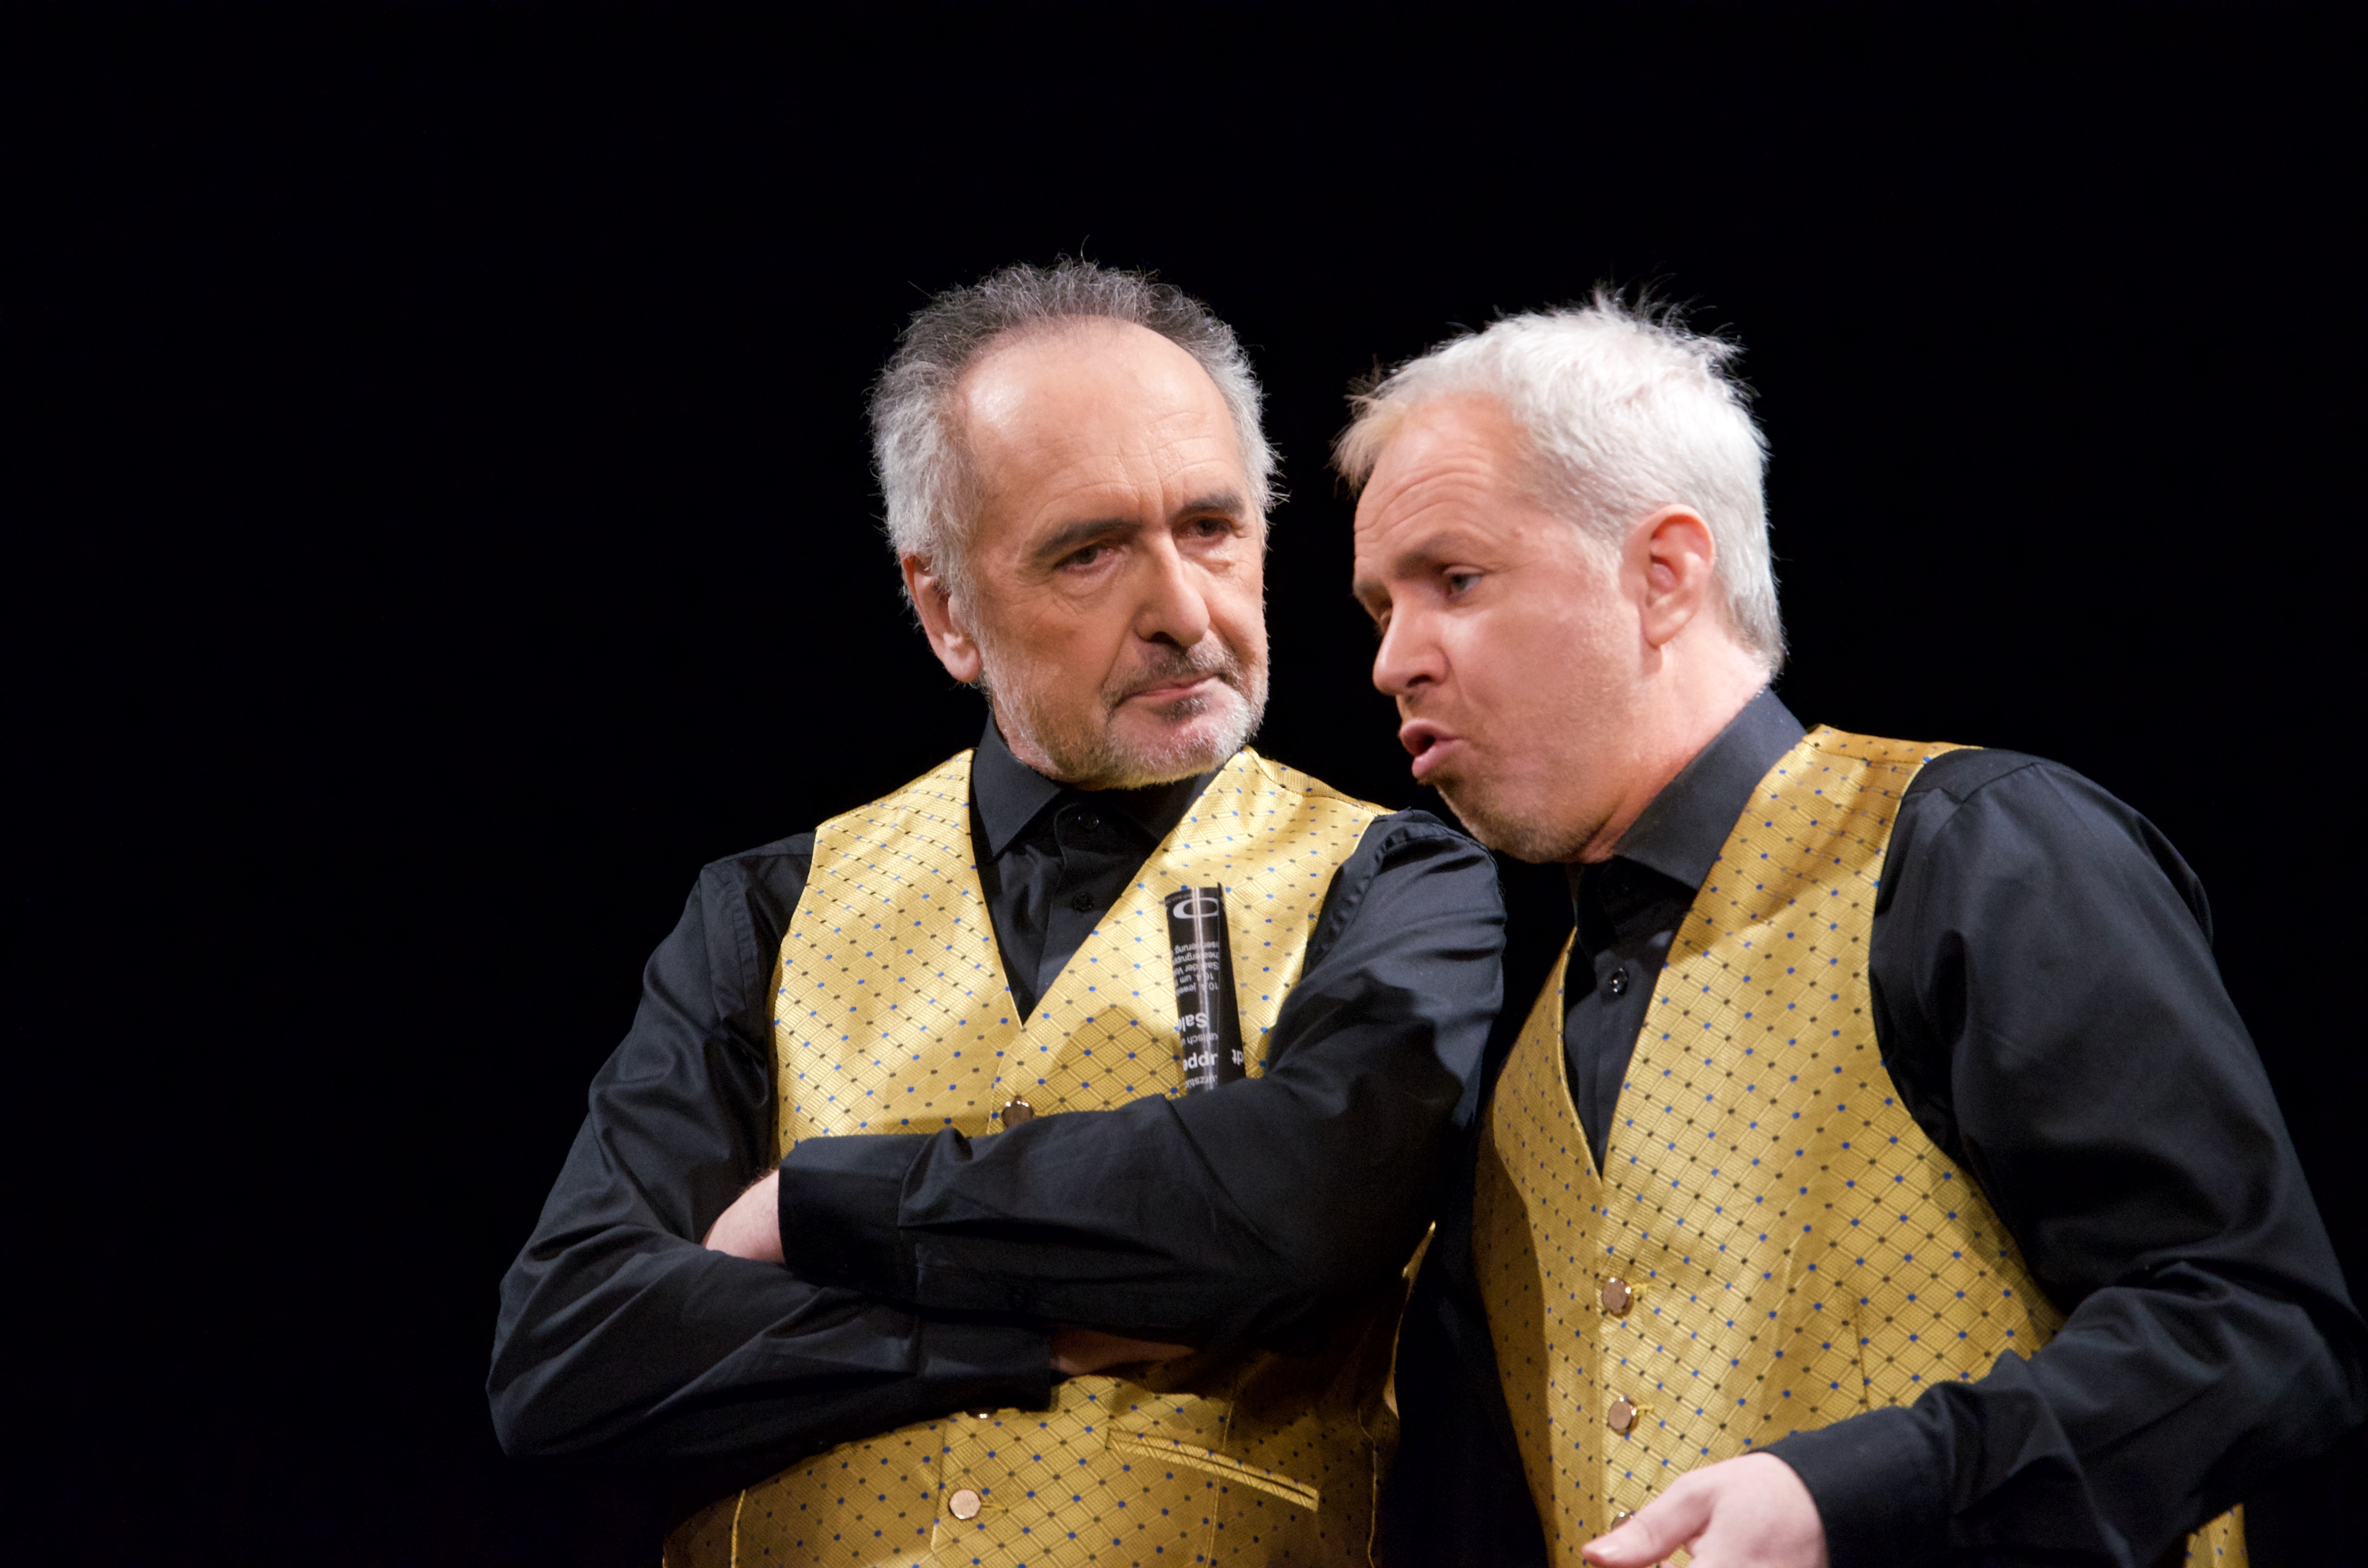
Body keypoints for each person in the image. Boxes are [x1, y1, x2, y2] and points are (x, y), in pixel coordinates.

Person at [486, 261, 1506, 1568]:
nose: (1184, 613)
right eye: (1090, 553)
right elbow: (573, 1344)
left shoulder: (1401, 879)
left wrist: (816, 1208)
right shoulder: (767, 908)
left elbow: (1298, 1212)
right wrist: (1021, 1340)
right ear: (946, 613)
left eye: (1213, 527)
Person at [1340, 297, 2366, 1568]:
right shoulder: (1519, 1073)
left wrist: (1857, 1494)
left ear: (1664, 575)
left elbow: (2260, 1329)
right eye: (1379, 609)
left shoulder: (1970, 851)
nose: (1393, 661)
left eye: (1455, 580)